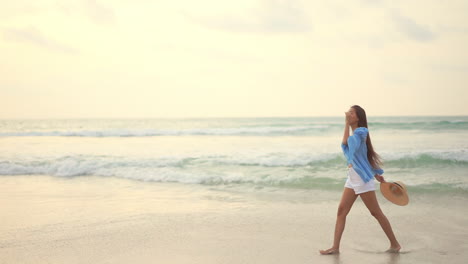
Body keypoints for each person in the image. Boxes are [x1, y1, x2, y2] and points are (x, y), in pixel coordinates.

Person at [319, 105, 401, 255]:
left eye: (351, 113)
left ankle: (395, 244)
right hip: (352, 177)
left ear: (358, 117)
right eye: (348, 112)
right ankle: (335, 247)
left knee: (376, 213)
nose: (348, 114)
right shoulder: (356, 134)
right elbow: (361, 154)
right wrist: (376, 172)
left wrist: (346, 125)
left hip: (362, 179)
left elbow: (349, 143)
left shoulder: (361, 133)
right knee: (341, 211)